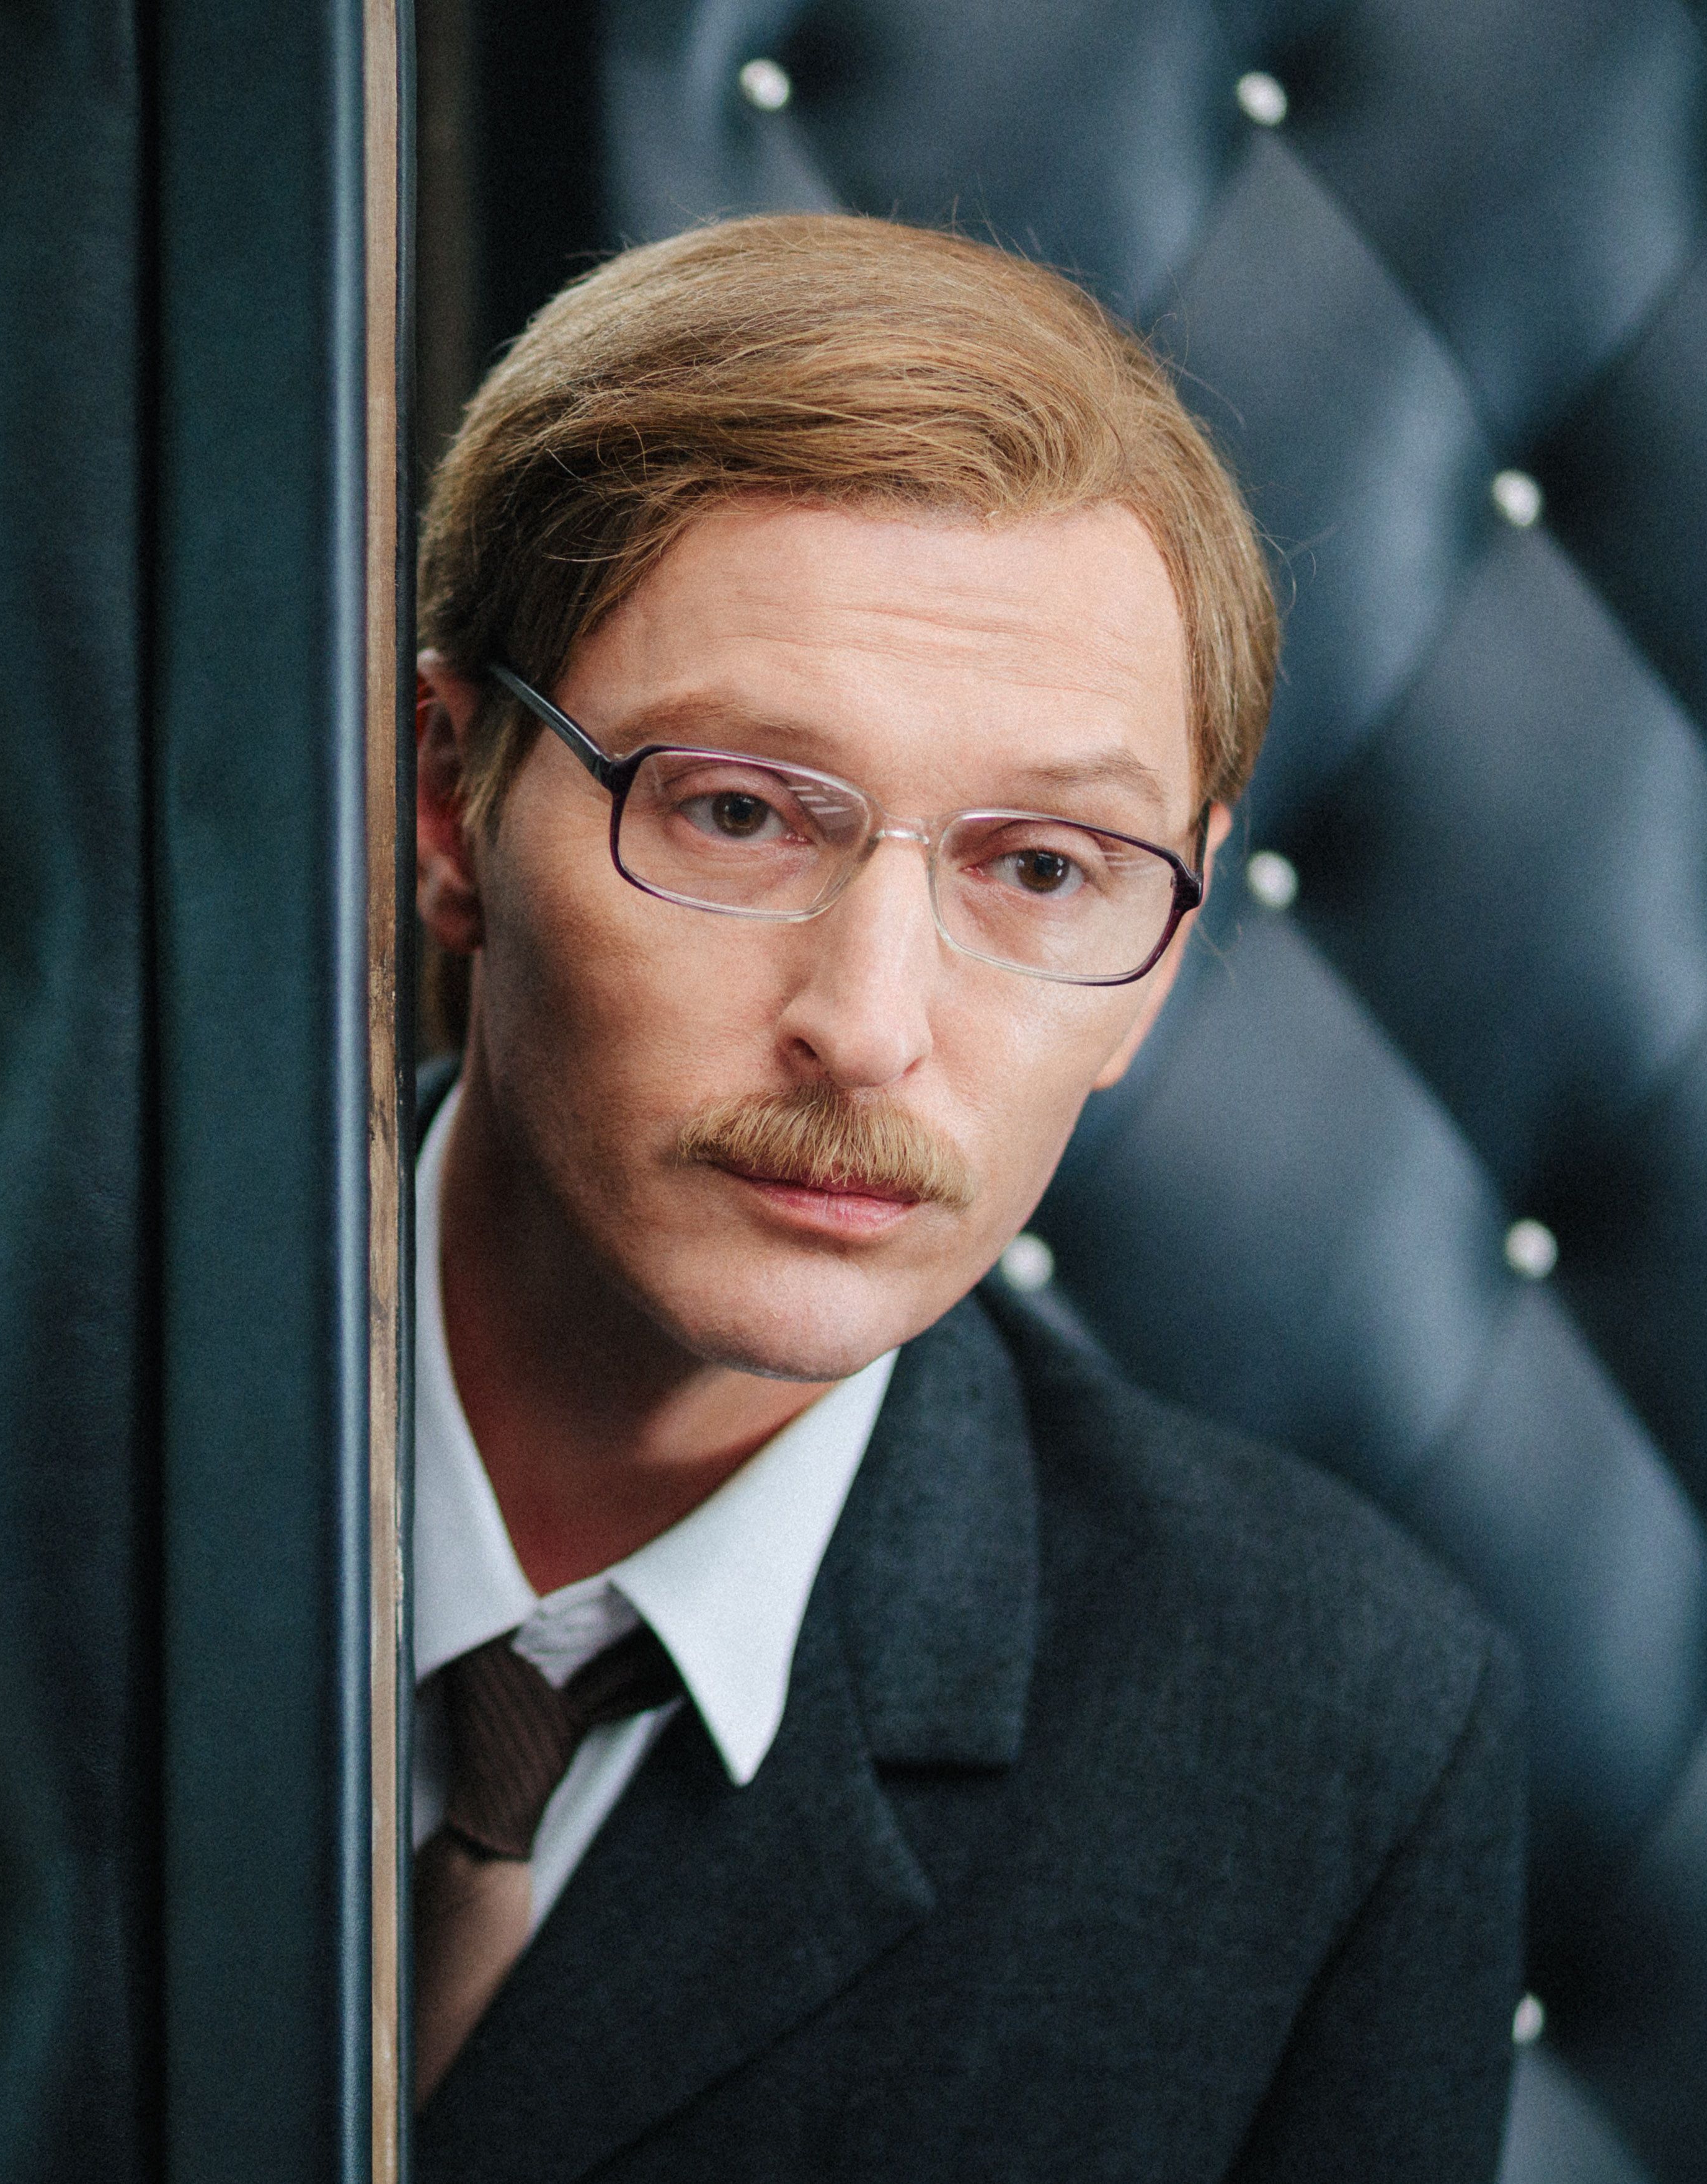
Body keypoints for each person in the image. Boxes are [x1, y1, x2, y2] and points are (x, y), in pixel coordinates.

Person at [405, 213, 1523, 2182]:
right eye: (735, 810)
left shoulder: (1336, 1727)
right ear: (447, 806)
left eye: (1042, 869)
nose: (866, 1026)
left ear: (1161, 954)